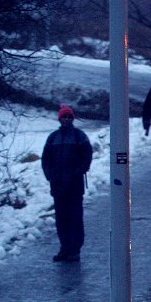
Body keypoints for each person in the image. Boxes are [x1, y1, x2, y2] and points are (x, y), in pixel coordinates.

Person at [41, 104, 93, 262]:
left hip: (75, 185)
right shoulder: (52, 138)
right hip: (58, 186)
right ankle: (64, 248)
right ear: (60, 118)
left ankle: (75, 249)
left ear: (73, 118)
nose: (67, 119)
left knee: (75, 217)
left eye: (69, 117)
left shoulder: (80, 136)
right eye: (64, 116)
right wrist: (50, 176)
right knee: (61, 219)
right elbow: (45, 159)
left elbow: (87, 157)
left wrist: (77, 173)